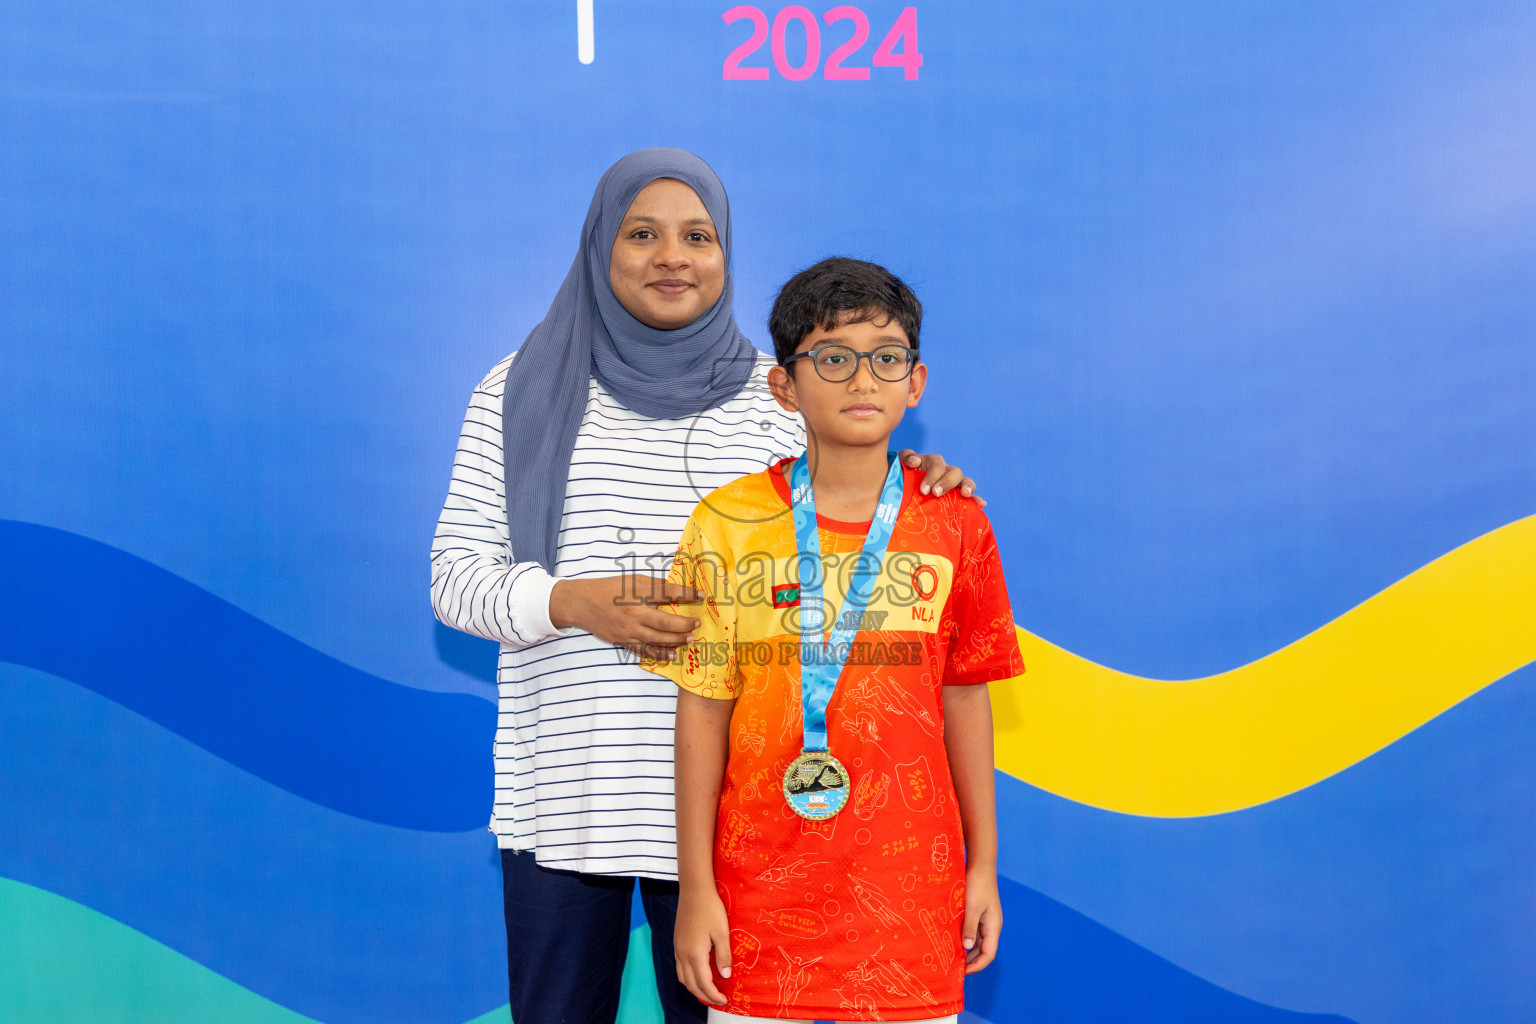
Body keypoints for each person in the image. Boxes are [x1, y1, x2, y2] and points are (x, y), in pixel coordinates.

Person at [430, 150, 982, 1024]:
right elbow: (456, 581)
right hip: (573, 801)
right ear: (598, 247)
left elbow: (856, 505)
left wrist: (916, 480)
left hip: (747, 825)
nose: (671, 257)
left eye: (698, 236)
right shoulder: (517, 390)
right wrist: (570, 601)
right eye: (641, 233)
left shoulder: (786, 394)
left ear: (727, 255)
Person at [647, 257, 1026, 1023]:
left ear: (915, 383)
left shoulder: (956, 521)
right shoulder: (728, 522)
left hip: (912, 904)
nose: (863, 380)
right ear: (784, 385)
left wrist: (983, 867)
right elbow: (701, 712)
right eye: (833, 358)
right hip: (758, 898)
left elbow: (965, 698)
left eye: (885, 358)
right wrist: (696, 889)